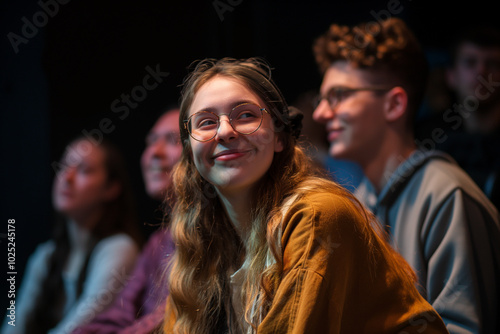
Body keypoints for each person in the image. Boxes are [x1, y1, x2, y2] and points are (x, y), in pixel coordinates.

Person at [161, 57, 448, 333]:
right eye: (206, 122)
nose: (225, 131)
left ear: (280, 138)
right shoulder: (201, 244)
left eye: (246, 115)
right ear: (190, 149)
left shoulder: (317, 214)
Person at [312, 17, 500, 334]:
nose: (320, 113)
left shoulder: (447, 196)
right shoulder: (360, 202)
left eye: (339, 95)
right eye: (322, 99)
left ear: (395, 104)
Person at [1, 137, 142, 334]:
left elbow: (77, 328)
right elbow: (16, 320)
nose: (67, 178)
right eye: (64, 166)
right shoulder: (47, 254)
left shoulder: (118, 248)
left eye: (84, 170)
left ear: (111, 188)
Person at [72, 107, 182, 334]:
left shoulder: (218, 234)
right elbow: (118, 315)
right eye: (150, 142)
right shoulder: (158, 242)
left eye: (172, 140)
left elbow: (168, 318)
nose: (154, 153)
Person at [439, 25, 500, 209]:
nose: (481, 71)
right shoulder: (428, 141)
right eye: (470, 62)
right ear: (451, 76)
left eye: (493, 64)